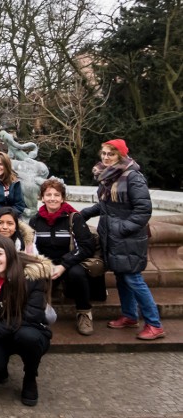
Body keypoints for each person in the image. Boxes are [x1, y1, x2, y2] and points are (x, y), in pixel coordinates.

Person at [81, 139, 165, 340]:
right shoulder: (109, 176)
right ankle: (129, 316)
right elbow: (106, 206)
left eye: (111, 154)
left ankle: (155, 324)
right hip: (114, 237)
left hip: (127, 237)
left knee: (133, 279)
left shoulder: (133, 177)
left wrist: (121, 228)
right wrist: (82, 214)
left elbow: (143, 210)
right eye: (103, 153)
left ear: (121, 155)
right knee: (121, 278)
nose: (106, 157)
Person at [0, 234, 53, 406]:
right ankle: (1, 368)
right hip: (2, 331)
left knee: (28, 338)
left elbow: (29, 316)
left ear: (10, 254)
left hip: (27, 328)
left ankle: (30, 376)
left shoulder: (32, 277)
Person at [29, 178, 98, 336]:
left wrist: (64, 265)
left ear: (62, 198)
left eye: (56, 195)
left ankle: (84, 313)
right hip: (46, 263)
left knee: (77, 273)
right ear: (42, 197)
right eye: (48, 194)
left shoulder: (74, 218)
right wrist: (43, 264)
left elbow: (87, 247)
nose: (52, 198)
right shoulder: (35, 220)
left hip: (70, 263)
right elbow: (31, 246)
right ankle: (34, 315)